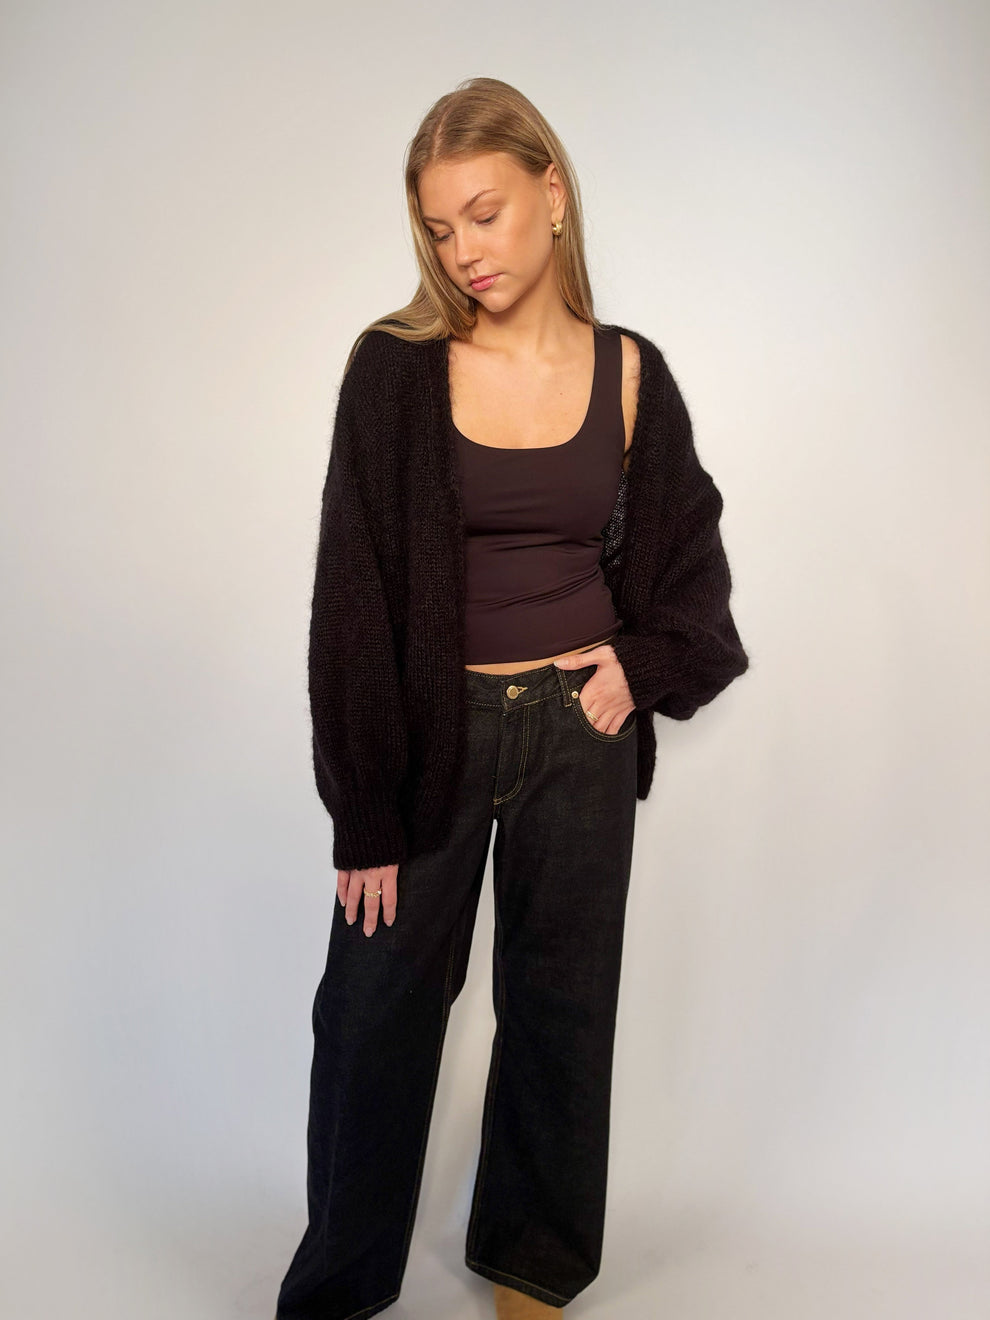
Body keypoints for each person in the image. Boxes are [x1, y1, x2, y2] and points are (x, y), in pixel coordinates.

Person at [275, 76, 748, 1320]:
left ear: (552, 192)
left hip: (581, 730)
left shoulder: (632, 374)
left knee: (559, 1007)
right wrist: (364, 807)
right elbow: (353, 595)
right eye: (440, 229)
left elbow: (690, 569)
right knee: (373, 1010)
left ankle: (535, 1265)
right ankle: (341, 1282)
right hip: (435, 732)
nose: (464, 252)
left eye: (483, 214)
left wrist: (643, 667)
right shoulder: (394, 371)